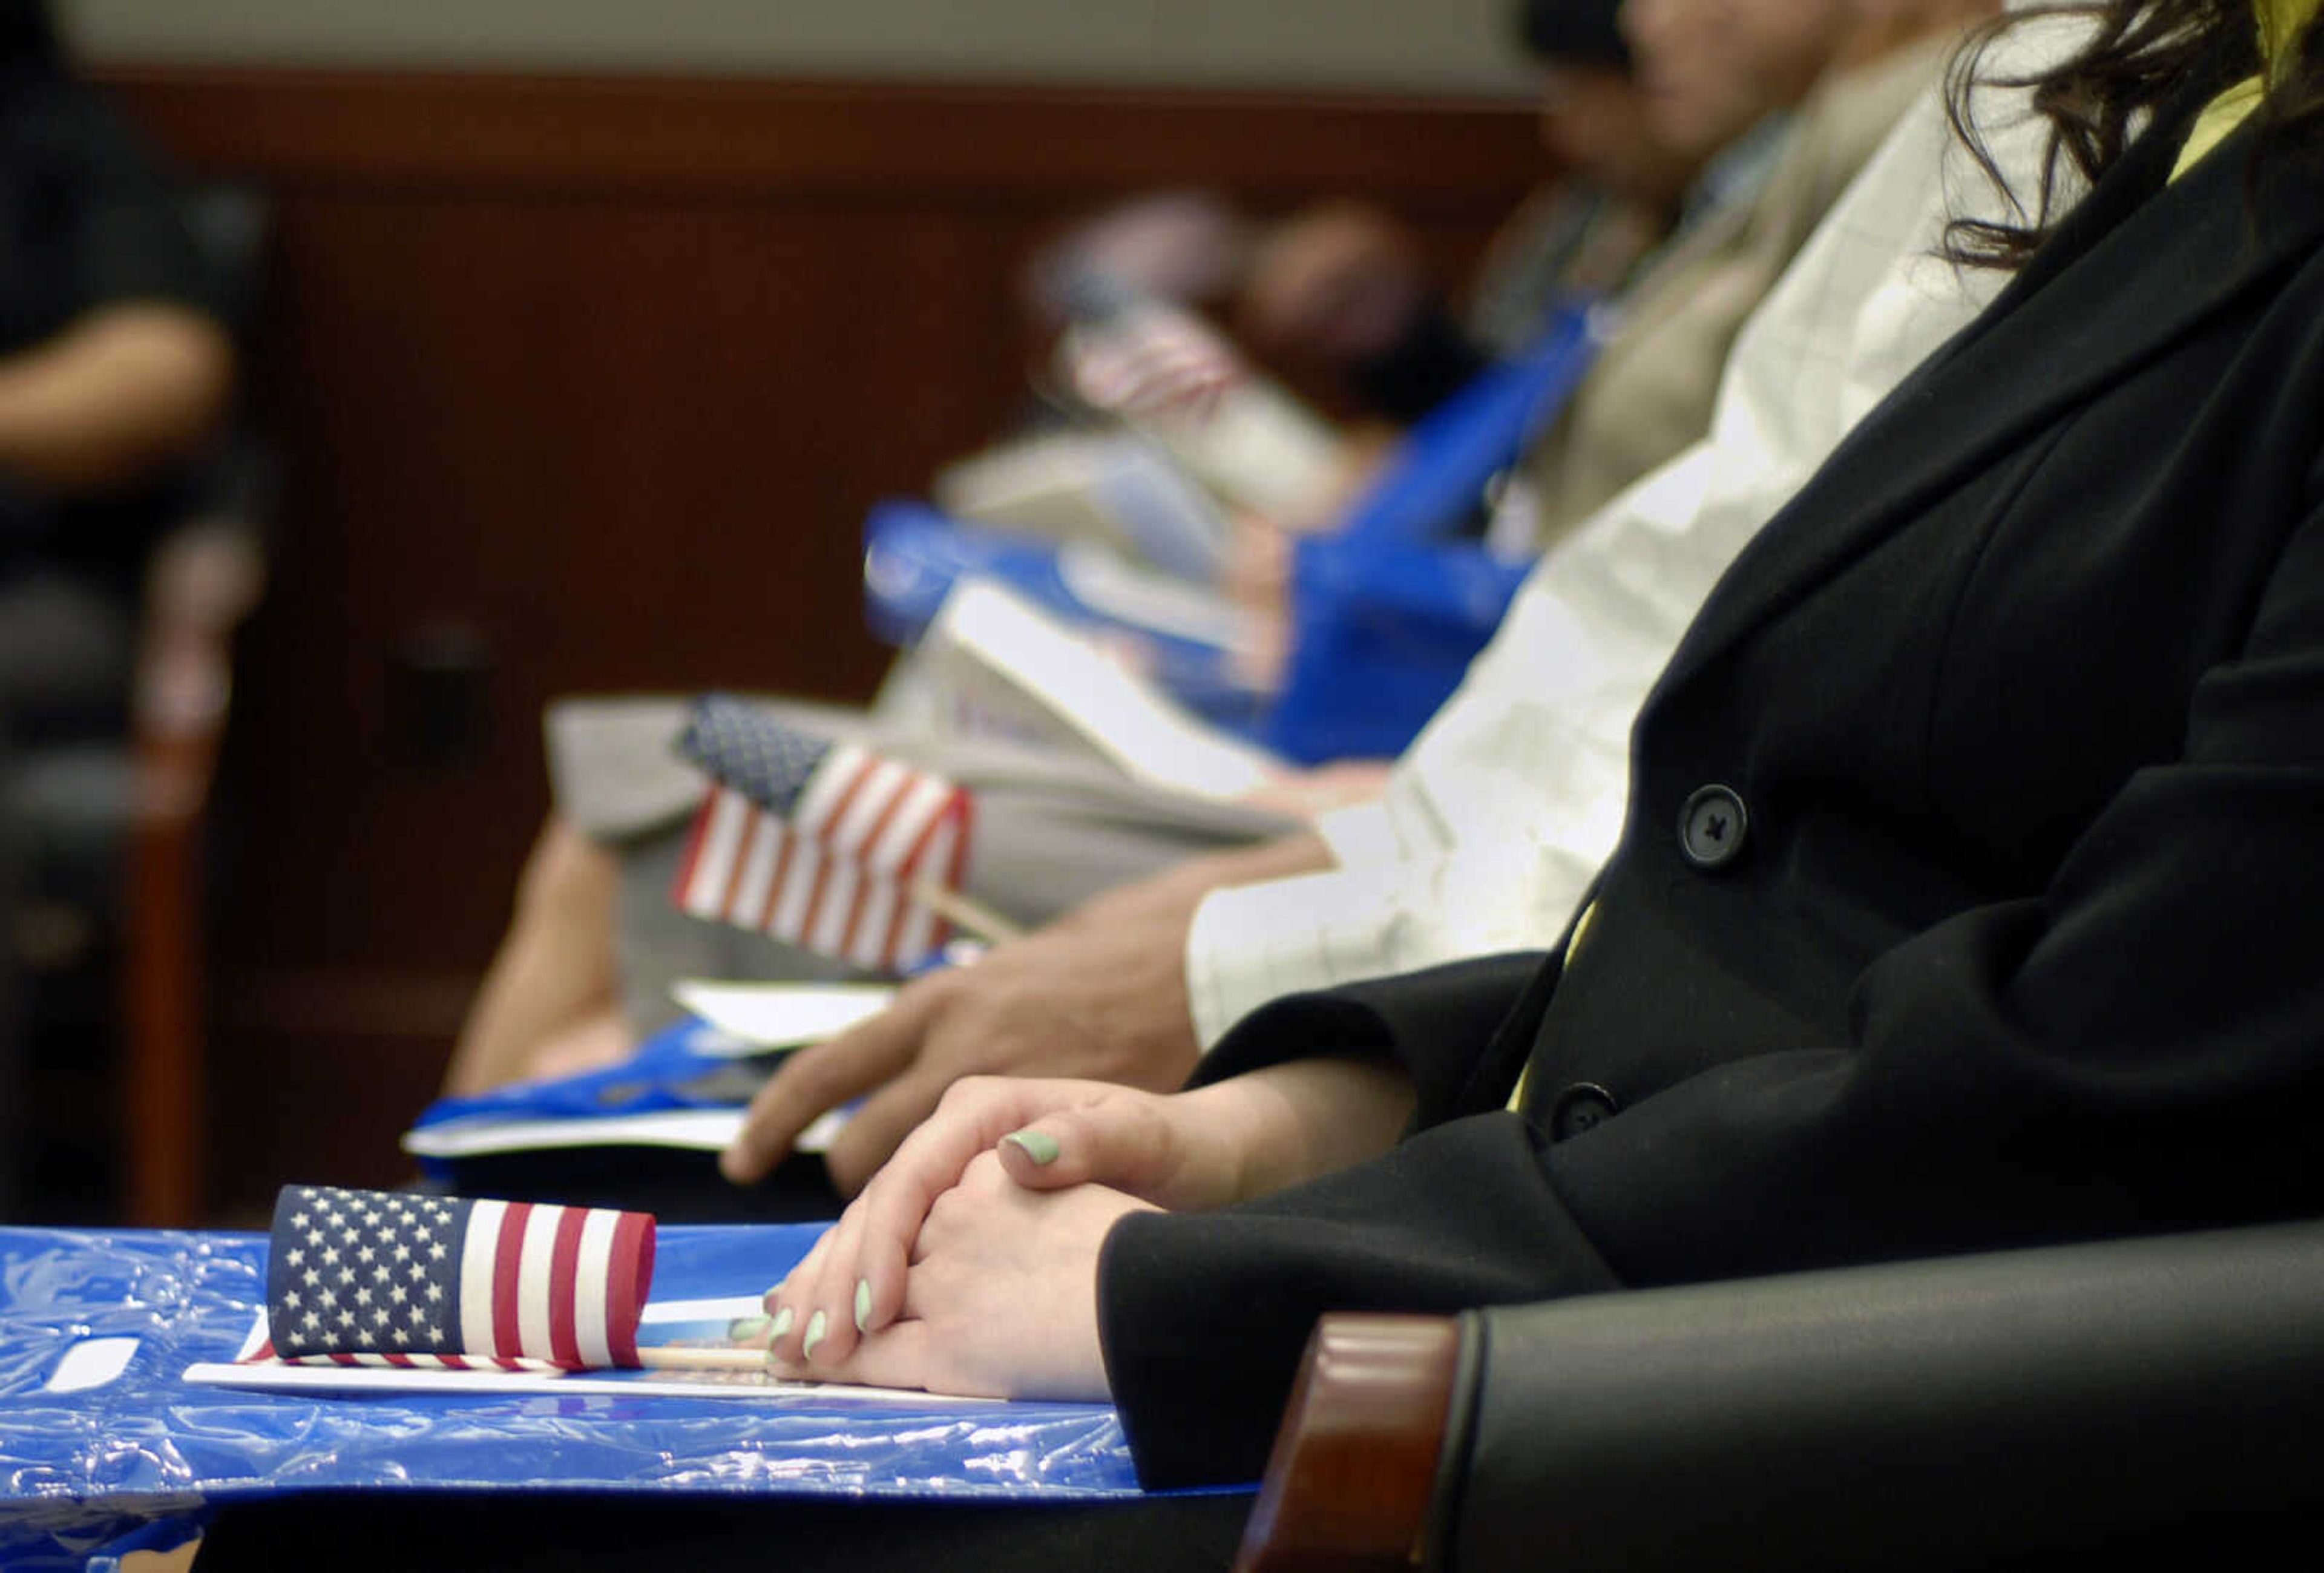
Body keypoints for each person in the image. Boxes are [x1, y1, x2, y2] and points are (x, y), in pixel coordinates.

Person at [751, 0, 2324, 1498]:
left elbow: (2114, 1096)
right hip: (1608, 1266)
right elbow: (1792, 867)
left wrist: (1217, 1286)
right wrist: (1295, 1123)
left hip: (1781, 1436)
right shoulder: (2175, 77)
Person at [447, 0, 1980, 1129]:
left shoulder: (1949, 136)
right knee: (647, 852)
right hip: (1423, 781)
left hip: (1434, 807)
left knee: (656, 825)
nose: (1645, 24)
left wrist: (1321, 849)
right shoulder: (1782, 160)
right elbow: (1600, 532)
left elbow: (1702, 632)